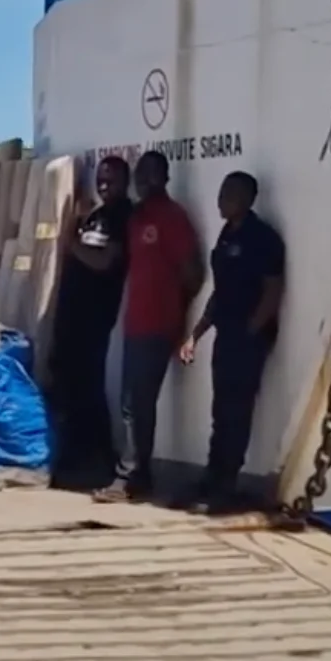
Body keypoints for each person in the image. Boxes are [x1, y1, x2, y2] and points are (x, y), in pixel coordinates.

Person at [177, 170, 286, 514]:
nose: (221, 199)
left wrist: (251, 332)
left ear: (247, 199)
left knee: (237, 413)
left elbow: (272, 291)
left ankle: (227, 484)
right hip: (226, 335)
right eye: (222, 191)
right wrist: (195, 335)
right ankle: (212, 476)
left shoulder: (263, 239)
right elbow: (219, 293)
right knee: (220, 412)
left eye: (230, 193)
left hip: (247, 339)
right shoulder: (226, 237)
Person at [95, 150, 201, 505]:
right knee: (132, 404)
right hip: (135, 324)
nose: (144, 182)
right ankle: (141, 475)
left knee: (136, 404)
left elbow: (193, 273)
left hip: (158, 325)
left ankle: (130, 477)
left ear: (164, 177)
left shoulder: (172, 218)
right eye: (141, 176)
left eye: (150, 175)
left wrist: (179, 316)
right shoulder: (137, 218)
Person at [44, 154, 132, 492]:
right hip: (72, 316)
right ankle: (74, 460)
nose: (104, 185)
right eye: (101, 179)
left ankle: (98, 464)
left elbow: (105, 261)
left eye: (112, 180)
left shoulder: (123, 216)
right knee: (68, 386)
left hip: (95, 319)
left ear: (126, 182)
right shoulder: (94, 216)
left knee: (89, 390)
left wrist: (69, 242)